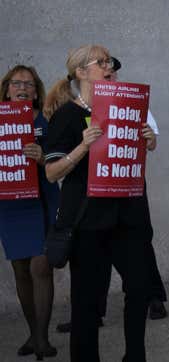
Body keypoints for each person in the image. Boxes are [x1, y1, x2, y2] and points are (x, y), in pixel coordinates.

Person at [43, 44, 155, 362]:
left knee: (140, 288)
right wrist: (83, 146)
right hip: (89, 222)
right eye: (102, 62)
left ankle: (135, 356)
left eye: (112, 63)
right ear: (81, 72)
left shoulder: (126, 108)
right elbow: (52, 172)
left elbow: (137, 152)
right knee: (88, 303)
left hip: (129, 218)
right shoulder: (67, 115)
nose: (111, 67)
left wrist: (149, 138)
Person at [0, 65, 60, 359]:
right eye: (16, 83)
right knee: (21, 270)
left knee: (40, 266)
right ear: (7, 89)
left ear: (36, 93)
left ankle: (42, 340)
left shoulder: (46, 121)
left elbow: (61, 162)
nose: (22, 88)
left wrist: (42, 158)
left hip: (43, 201)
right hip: (10, 204)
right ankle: (34, 334)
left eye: (28, 84)